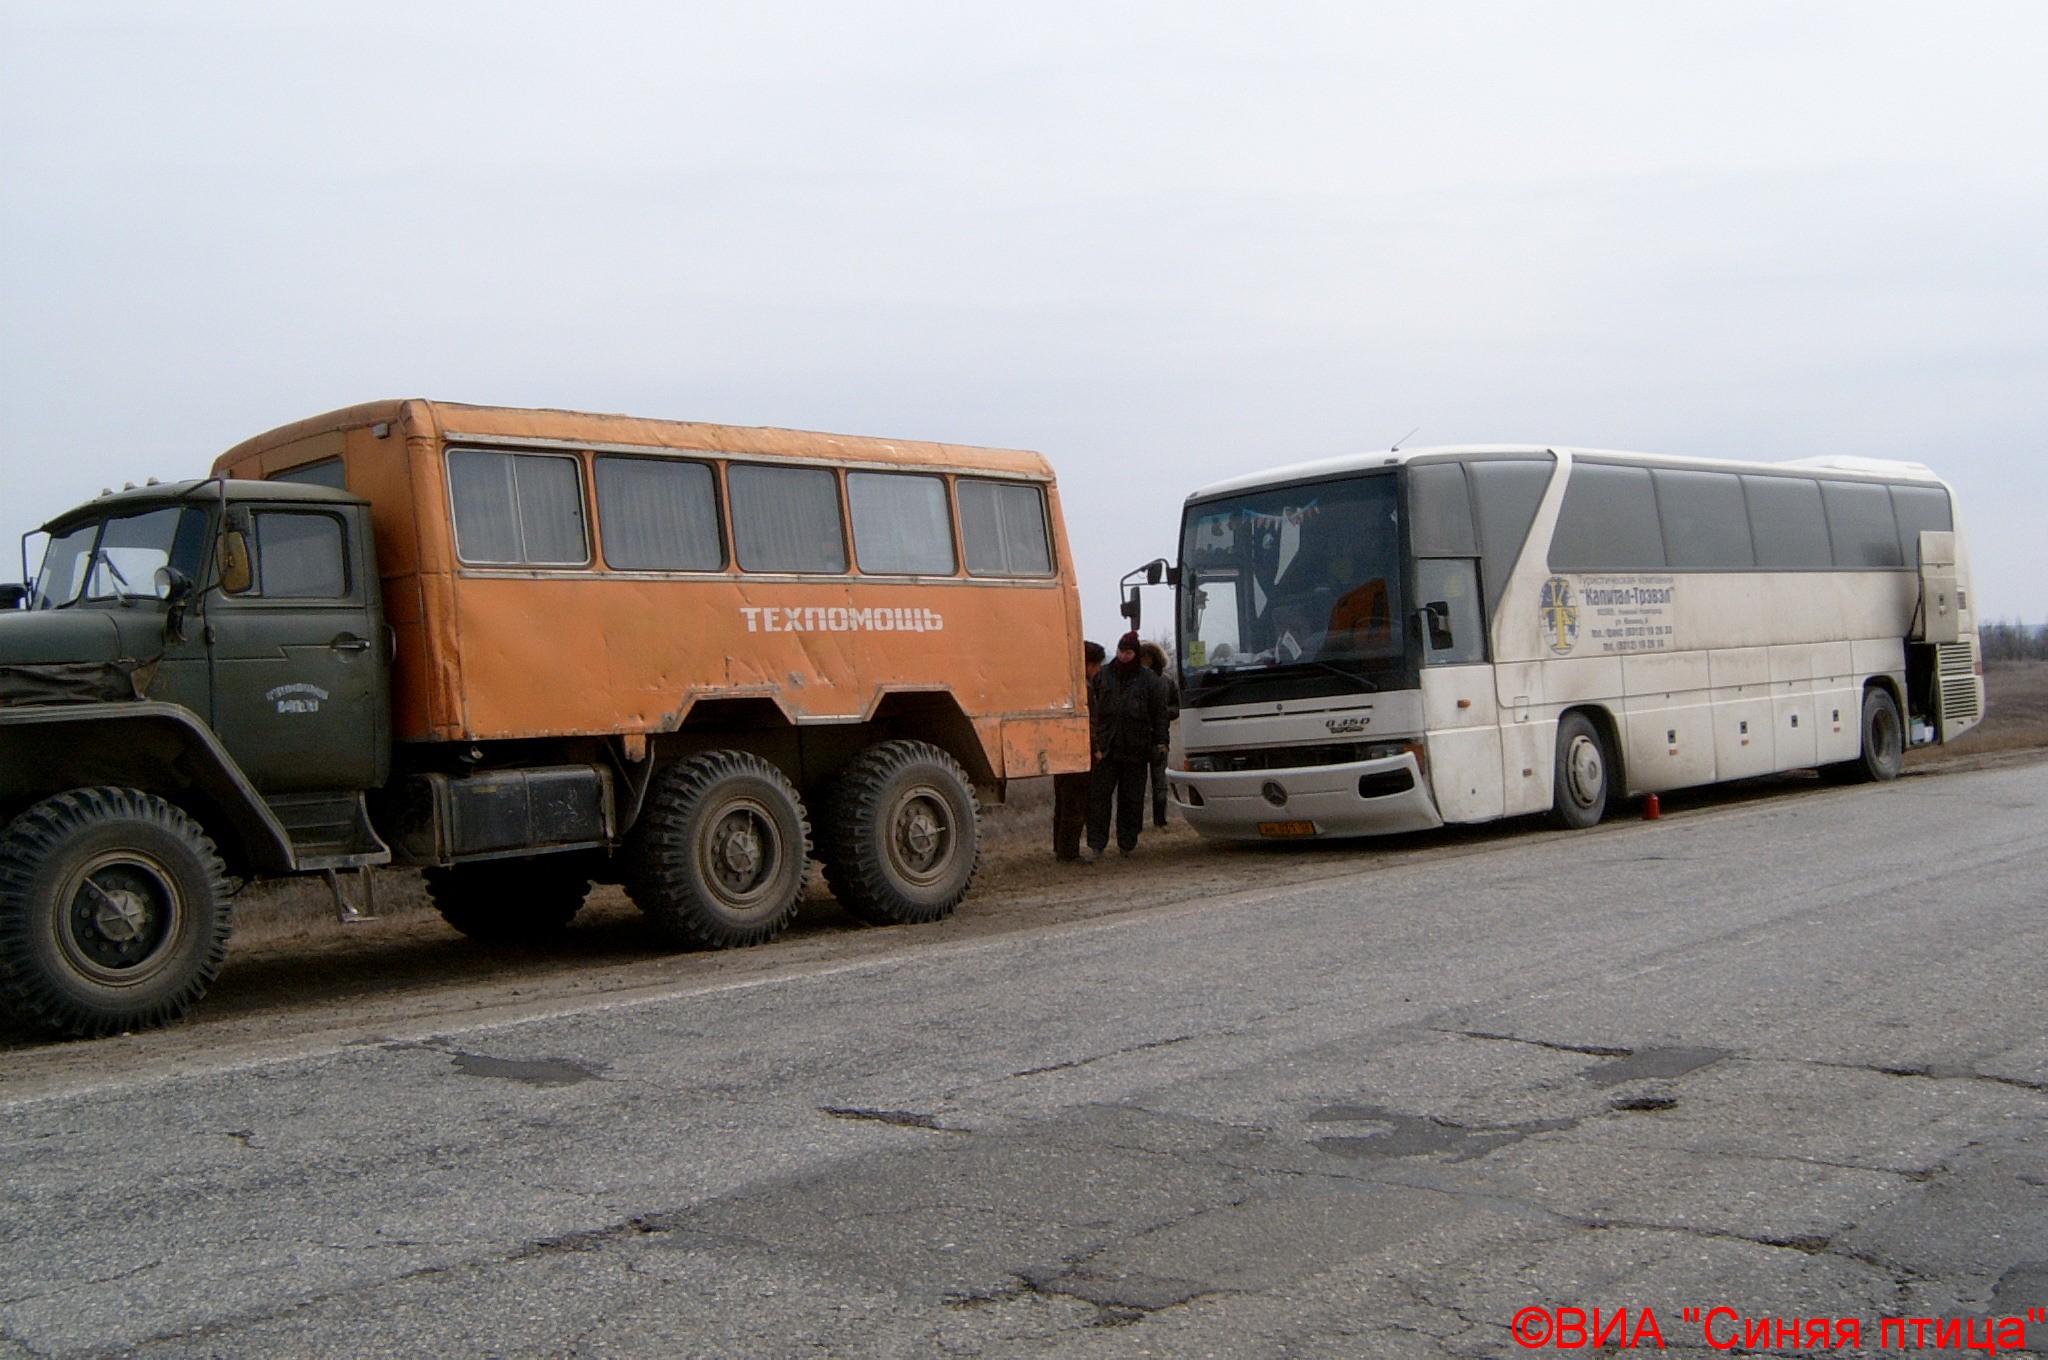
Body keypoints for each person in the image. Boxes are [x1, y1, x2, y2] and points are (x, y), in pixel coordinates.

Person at [1086, 632, 1169, 858]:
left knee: (1131, 801)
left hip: (1137, 749)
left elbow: (1160, 715)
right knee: (1099, 799)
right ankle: (1096, 845)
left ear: (1136, 654)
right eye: (1121, 651)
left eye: (1129, 652)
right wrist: (1096, 744)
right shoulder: (1103, 676)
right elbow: (1093, 712)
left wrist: (1161, 743)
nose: (1124, 656)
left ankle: (1127, 844)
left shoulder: (1149, 680)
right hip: (1107, 748)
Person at [1052, 640, 1105, 861]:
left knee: (1062, 803)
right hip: (1079, 752)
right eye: (1096, 665)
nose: (1098, 670)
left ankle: (1059, 847)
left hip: (1061, 750)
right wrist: (1096, 749)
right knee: (1076, 804)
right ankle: (1069, 853)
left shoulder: (1062, 684)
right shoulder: (1084, 689)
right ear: (1088, 664)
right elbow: (1088, 724)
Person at [1138, 640, 1179, 829]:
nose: (1145, 660)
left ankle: (1160, 819)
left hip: (1159, 737)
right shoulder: (1133, 681)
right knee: (1135, 783)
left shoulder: (1166, 681)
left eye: (1149, 656)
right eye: (1142, 656)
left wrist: (1163, 713)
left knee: (1159, 781)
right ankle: (1135, 821)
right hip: (1137, 737)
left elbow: (1176, 707)